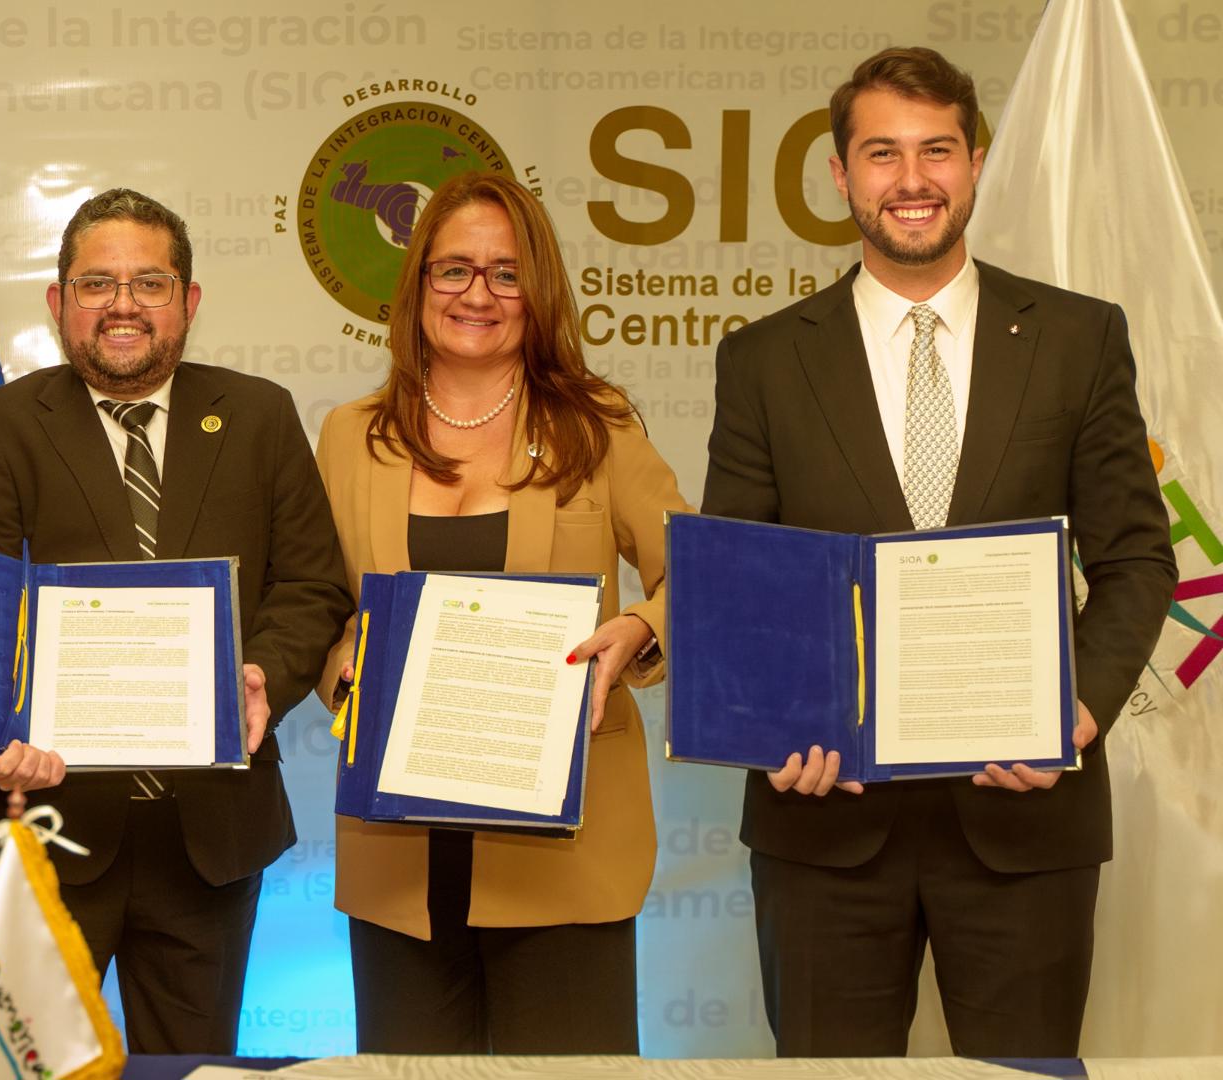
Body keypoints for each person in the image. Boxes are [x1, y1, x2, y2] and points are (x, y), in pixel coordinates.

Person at [702, 47, 1177, 1057]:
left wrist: (1079, 709)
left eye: (936, 150)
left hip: (1027, 820)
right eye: (883, 153)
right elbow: (740, 584)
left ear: (975, 164)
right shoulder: (762, 360)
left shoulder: (1080, 340)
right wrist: (772, 726)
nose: (911, 179)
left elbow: (1137, 557)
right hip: (824, 823)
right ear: (841, 174)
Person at [0, 188, 354, 1054]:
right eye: (96, 284)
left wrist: (260, 680)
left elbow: (310, 585)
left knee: (194, 1073)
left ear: (188, 301)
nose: (122, 304)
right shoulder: (1, 426)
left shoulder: (260, 415)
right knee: (28, 1072)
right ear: (58, 302)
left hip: (210, 834)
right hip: (44, 821)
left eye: (150, 283)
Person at [314, 171, 692, 1053]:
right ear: (419, 284)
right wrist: (344, 669)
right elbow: (316, 605)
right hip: (400, 863)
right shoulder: (350, 436)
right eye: (454, 269)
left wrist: (639, 629)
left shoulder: (597, 425)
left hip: (565, 856)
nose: (477, 294)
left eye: (506, 273)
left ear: (538, 290)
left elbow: (704, 580)